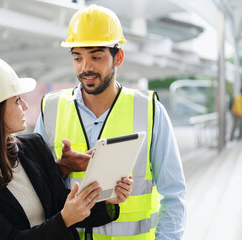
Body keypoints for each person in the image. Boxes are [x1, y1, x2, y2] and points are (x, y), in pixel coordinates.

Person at [0, 52, 134, 240]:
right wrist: (64, 219)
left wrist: (107, 200)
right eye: (17, 100)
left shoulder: (33, 147)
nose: (25, 106)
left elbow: (62, 204)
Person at [34, 4, 187, 240]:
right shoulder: (50, 109)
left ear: (119, 57)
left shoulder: (149, 110)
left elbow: (174, 193)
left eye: (96, 57)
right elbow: (37, 189)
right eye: (77, 57)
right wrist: (61, 168)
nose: (86, 68)